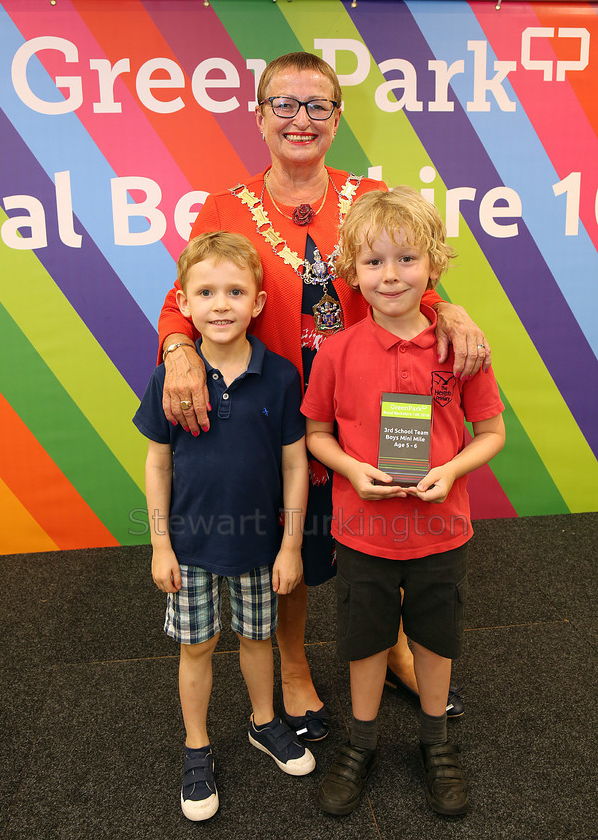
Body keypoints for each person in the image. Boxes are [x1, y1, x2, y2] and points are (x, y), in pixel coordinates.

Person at [156, 52, 491, 737]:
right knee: (294, 544)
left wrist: (447, 310)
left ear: (337, 117)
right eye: (283, 103)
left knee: (392, 534)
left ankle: (397, 648)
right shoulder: (224, 207)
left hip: (367, 408)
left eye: (317, 105)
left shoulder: (369, 193)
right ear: (258, 116)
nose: (299, 119)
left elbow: (404, 278)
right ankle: (294, 663)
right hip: (274, 414)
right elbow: (179, 300)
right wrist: (178, 348)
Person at [301, 187, 505, 816]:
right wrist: (355, 471)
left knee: (435, 640)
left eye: (407, 259)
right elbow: (316, 435)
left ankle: (435, 741)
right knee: (365, 640)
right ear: (352, 273)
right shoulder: (336, 350)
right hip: (362, 529)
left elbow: (491, 433)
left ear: (434, 264)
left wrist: (450, 470)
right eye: (373, 262)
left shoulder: (461, 348)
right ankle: (361, 743)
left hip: (441, 530)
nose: (391, 275)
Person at [133, 231, 315, 821]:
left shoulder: (282, 377)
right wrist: (160, 545)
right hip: (189, 548)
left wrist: (290, 546)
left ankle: (265, 723)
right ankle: (197, 748)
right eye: (205, 292)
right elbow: (158, 462)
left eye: (235, 291)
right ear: (182, 304)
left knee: (257, 639)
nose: (220, 304)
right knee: (199, 646)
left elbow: (295, 462)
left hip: (261, 546)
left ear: (258, 303)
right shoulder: (170, 379)